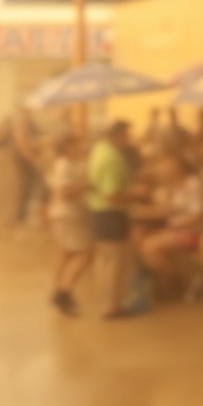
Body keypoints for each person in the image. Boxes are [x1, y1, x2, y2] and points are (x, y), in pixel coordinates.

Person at [139, 154, 203, 298]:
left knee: (149, 247)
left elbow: (199, 214)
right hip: (177, 229)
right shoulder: (173, 188)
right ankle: (166, 284)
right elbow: (167, 210)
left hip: (192, 232)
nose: (163, 171)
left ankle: (174, 285)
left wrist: (178, 225)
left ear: (178, 167)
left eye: (166, 167)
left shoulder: (193, 183)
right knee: (140, 237)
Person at [88, 119, 136, 320]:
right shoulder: (112, 158)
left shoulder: (98, 150)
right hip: (112, 214)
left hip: (98, 212)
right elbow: (112, 195)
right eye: (127, 135)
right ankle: (111, 306)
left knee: (104, 261)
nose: (129, 140)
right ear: (118, 136)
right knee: (115, 263)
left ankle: (104, 302)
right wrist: (136, 194)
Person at [47, 131, 93, 317]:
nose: (80, 148)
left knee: (66, 253)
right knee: (86, 253)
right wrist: (87, 185)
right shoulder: (64, 166)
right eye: (76, 144)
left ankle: (58, 288)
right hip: (70, 216)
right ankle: (64, 290)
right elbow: (63, 193)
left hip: (63, 216)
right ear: (67, 147)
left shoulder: (64, 164)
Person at [0, 107, 41, 236]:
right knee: (10, 198)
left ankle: (0, 226)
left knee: (2, 197)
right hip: (8, 166)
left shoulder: (13, 123)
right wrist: (35, 161)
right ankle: (5, 227)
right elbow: (22, 145)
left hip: (2, 166)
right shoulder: (19, 124)